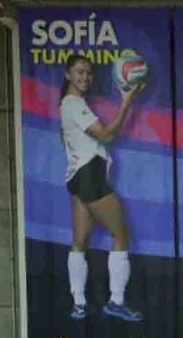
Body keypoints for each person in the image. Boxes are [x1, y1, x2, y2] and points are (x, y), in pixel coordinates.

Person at [57, 53, 145, 323]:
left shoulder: (68, 105)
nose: (85, 77)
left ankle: (79, 304)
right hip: (90, 175)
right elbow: (106, 135)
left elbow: (67, 139)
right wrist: (128, 100)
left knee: (80, 241)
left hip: (77, 177)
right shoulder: (74, 104)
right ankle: (116, 301)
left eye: (88, 73)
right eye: (79, 72)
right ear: (67, 75)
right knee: (121, 235)